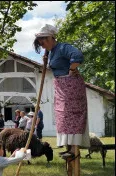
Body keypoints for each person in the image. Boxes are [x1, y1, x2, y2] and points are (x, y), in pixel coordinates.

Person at [34, 24, 90, 159]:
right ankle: (68, 147)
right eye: (40, 44)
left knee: (71, 115)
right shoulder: (52, 52)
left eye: (43, 42)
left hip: (71, 85)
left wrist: (71, 70)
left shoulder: (63, 47)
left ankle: (74, 149)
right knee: (62, 117)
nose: (42, 46)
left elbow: (77, 55)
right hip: (61, 85)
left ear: (51, 38)